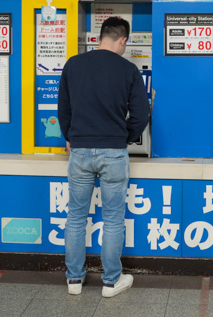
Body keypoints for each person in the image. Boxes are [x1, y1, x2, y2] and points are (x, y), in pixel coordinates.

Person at [57, 16, 150, 298]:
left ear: (101, 37)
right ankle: (111, 282)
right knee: (112, 219)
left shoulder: (73, 64)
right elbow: (141, 115)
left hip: (81, 150)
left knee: (75, 217)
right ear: (122, 40)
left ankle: (74, 279)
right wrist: (124, 137)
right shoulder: (129, 70)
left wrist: (71, 137)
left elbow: (63, 109)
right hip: (113, 152)